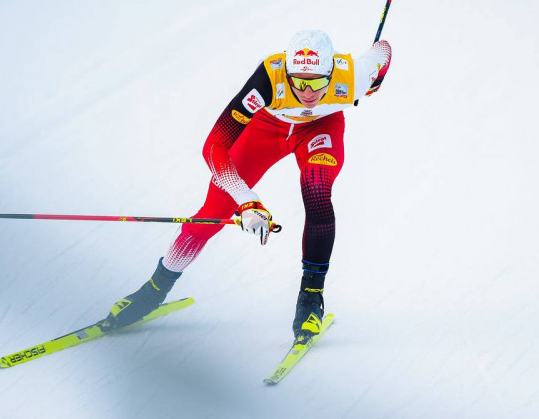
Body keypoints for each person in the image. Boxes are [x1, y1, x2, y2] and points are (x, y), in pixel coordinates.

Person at [100, 30, 391, 342]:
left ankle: (310, 297)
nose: (307, 91)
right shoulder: (269, 78)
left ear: (332, 72)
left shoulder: (353, 75)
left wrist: (376, 71)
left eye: (318, 82)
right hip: (267, 127)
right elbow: (213, 146)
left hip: (320, 128)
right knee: (213, 212)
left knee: (317, 191)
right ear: (288, 73)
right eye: (299, 81)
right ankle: (154, 289)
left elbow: (383, 51)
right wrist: (247, 200)